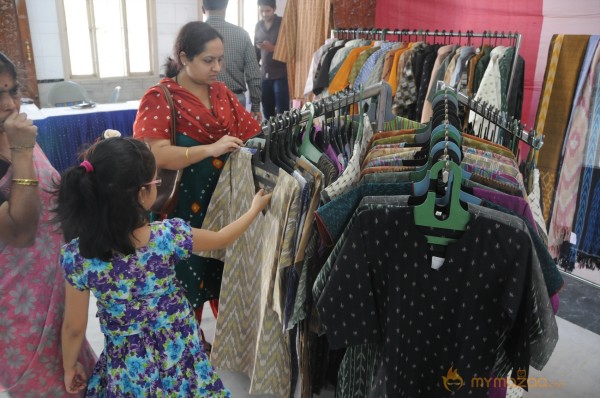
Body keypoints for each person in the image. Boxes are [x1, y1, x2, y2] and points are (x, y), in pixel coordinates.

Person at [54, 137, 272, 396]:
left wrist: (70, 367)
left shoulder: (79, 257)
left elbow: (74, 327)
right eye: (157, 181)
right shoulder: (169, 237)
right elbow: (222, 238)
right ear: (142, 194)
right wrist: (253, 209)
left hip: (129, 366)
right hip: (179, 352)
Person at [133, 21, 262, 340]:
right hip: (182, 208)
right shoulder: (160, 98)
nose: (217, 67)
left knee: (220, 271)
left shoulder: (222, 93)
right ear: (184, 57)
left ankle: (229, 338)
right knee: (183, 280)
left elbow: (252, 134)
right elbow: (156, 154)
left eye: (221, 60)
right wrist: (210, 149)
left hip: (223, 204)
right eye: (209, 60)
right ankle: (187, 344)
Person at [0, 52, 96, 396]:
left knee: (75, 379)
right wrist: (22, 150)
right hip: (18, 307)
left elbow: (50, 193)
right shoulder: (20, 141)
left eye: (12, 92)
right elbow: (21, 233)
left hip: (57, 288)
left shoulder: (17, 136)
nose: (10, 104)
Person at [203, 0, 262, 120]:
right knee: (235, 138)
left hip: (203, 99)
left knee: (206, 139)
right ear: (226, 8)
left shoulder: (193, 34)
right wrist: (256, 106)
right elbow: (253, 73)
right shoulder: (242, 34)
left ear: (203, 9)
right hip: (235, 100)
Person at [254, 0, 290, 119]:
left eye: (267, 11)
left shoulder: (283, 23)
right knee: (267, 110)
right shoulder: (258, 25)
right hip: (264, 74)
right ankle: (270, 136)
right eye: (261, 11)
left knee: (282, 111)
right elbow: (256, 52)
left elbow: (291, 47)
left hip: (281, 73)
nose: (264, 14)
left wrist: (273, 48)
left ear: (274, 9)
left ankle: (283, 136)